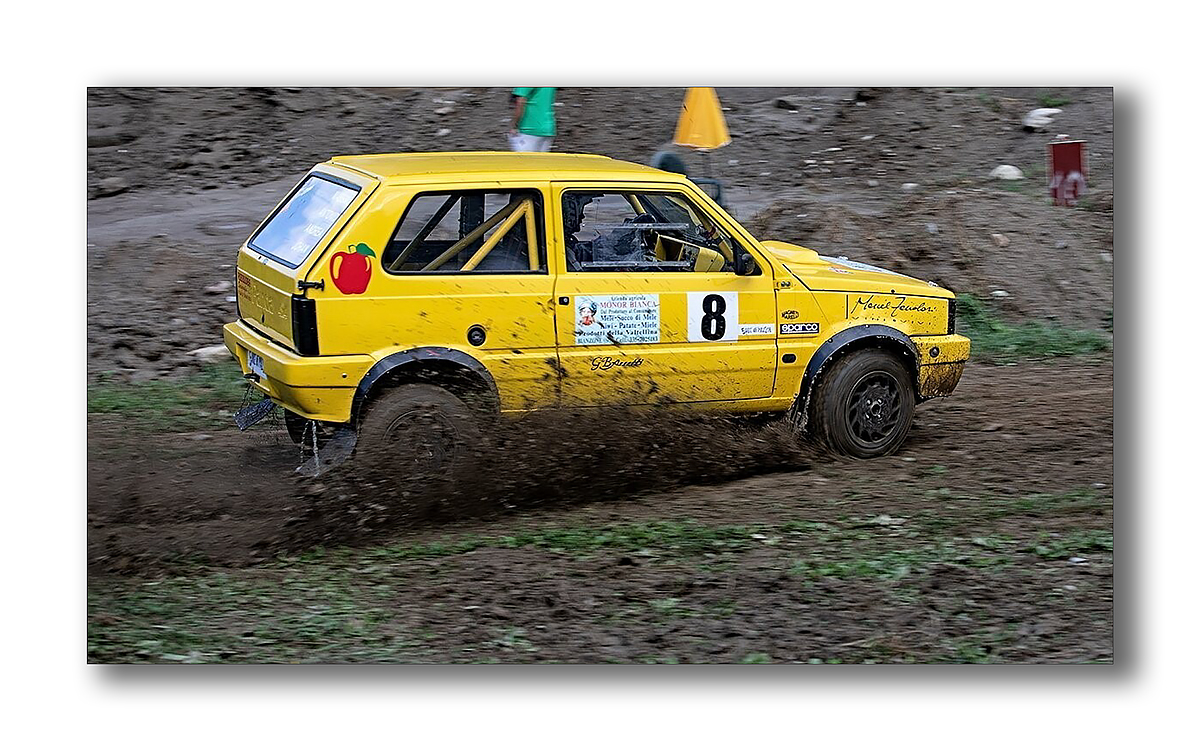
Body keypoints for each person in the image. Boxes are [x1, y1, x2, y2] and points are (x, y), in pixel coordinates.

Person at [508, 87, 557, 152]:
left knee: (523, 158)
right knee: (541, 158)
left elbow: (520, 102)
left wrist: (514, 126)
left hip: (529, 129)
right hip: (548, 128)